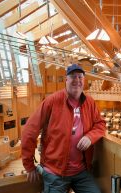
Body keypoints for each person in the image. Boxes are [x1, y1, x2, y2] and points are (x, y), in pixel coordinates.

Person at [21, 64, 106, 193]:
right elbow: (29, 131)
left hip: (81, 172)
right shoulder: (52, 101)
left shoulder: (89, 102)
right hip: (55, 173)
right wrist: (29, 166)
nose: (77, 80)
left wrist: (90, 137)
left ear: (84, 80)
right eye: (73, 77)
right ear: (66, 79)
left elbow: (100, 124)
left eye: (80, 77)